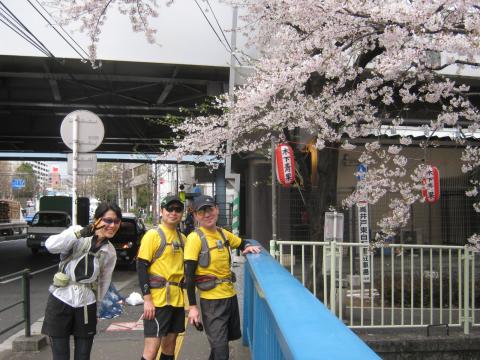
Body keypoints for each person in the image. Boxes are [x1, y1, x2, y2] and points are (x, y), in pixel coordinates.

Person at [184, 195, 261, 360]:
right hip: (211, 302)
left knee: (221, 344)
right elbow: (188, 276)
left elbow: (241, 242)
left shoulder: (223, 234)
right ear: (196, 216)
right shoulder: (194, 238)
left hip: (230, 297)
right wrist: (192, 307)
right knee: (221, 351)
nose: (207, 215)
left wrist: (248, 246)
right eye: (201, 211)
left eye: (210, 209)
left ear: (217, 209)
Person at [41, 202, 121, 360]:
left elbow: (104, 281)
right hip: (60, 299)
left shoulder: (110, 251)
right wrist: (80, 234)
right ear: (97, 220)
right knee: (60, 356)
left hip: (86, 304)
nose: (112, 225)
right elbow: (51, 245)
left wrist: (97, 308)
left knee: (83, 356)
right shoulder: (77, 232)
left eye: (116, 221)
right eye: (108, 220)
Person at [136, 195, 187, 360]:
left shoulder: (183, 239)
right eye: (169, 209)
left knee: (169, 346)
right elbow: (141, 266)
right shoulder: (153, 235)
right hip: (158, 301)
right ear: (162, 211)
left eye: (178, 209)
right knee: (151, 350)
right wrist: (147, 299)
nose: (173, 213)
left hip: (177, 300)